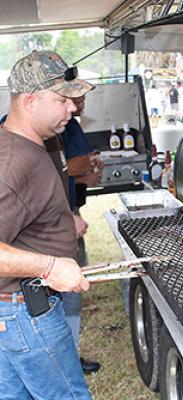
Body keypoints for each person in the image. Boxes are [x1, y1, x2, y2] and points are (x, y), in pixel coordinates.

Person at [0, 50, 93, 399]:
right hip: (26, 312)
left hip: (15, 312)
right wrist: (51, 265)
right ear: (30, 101)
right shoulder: (12, 163)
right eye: (61, 99)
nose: (72, 107)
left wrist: (63, 218)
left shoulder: (36, 143)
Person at [62, 94, 103, 374]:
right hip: (57, 225)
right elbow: (66, 167)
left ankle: (68, 357)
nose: (81, 103)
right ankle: (65, 362)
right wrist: (69, 215)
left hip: (67, 216)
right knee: (68, 293)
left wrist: (85, 173)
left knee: (71, 294)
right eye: (78, 96)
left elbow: (69, 170)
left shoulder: (66, 124)